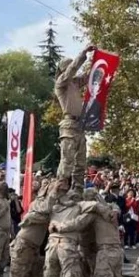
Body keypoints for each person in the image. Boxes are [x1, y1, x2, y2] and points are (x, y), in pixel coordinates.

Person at [1, 181, 53, 277]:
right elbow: (47, 212)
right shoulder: (40, 204)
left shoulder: (48, 205)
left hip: (35, 249)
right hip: (23, 247)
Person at [55, 46, 95, 191]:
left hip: (79, 125)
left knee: (80, 163)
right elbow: (71, 70)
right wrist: (83, 54)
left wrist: (96, 61)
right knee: (67, 161)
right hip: (69, 125)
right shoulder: (61, 83)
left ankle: (77, 191)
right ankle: (59, 190)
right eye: (71, 67)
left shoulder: (74, 83)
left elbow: (89, 76)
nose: (74, 70)